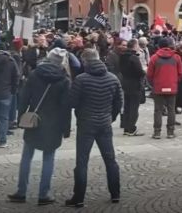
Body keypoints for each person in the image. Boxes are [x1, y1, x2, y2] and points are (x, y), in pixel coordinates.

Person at [8, 48, 72, 206]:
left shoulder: (35, 74)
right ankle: (44, 194)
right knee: (48, 158)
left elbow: (24, 97)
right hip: (54, 122)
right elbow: (66, 107)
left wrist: (21, 116)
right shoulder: (64, 79)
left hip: (33, 120)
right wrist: (66, 128)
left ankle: (21, 191)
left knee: (26, 157)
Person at [65, 48, 123, 208]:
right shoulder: (113, 78)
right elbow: (119, 102)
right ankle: (115, 194)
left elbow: (72, 103)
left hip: (86, 123)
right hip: (105, 123)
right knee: (110, 160)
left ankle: (79, 198)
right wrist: (112, 117)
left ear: (85, 61)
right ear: (98, 58)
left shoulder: (81, 80)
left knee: (82, 162)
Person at [147, 37, 182, 139]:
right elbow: (180, 73)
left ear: (159, 46)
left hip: (158, 87)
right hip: (172, 87)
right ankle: (170, 132)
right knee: (171, 110)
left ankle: (157, 132)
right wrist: (175, 82)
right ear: (169, 46)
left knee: (158, 110)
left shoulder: (154, 58)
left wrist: (153, 84)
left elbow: (149, 74)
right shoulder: (176, 57)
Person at [119, 39, 146, 136]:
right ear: (135, 46)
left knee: (127, 106)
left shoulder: (122, 56)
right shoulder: (134, 57)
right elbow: (139, 71)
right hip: (135, 84)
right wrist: (144, 72)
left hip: (125, 83)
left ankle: (126, 127)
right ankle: (131, 128)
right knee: (134, 107)